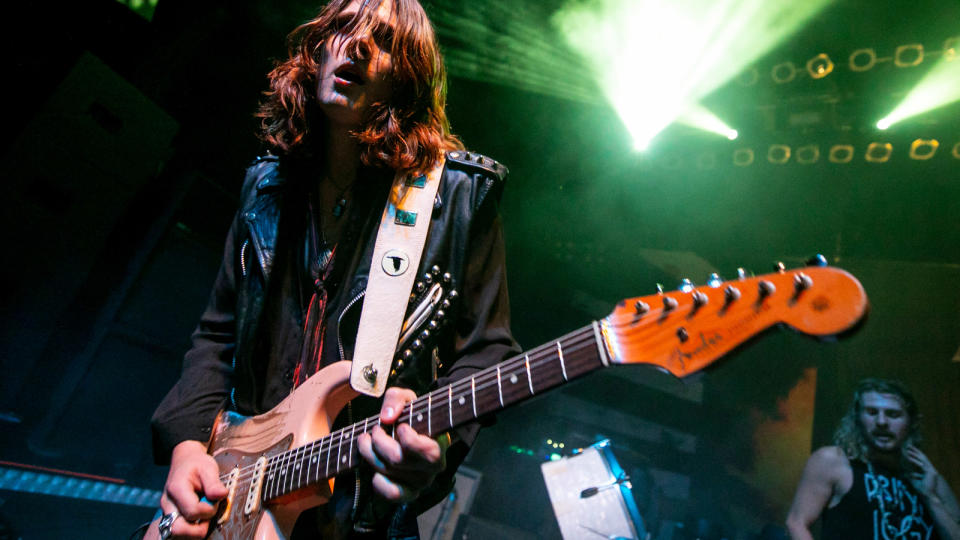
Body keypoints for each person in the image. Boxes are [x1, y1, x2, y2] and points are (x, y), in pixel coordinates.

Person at [147, 0, 519, 537]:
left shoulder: (458, 198)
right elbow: (216, 337)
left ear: (408, 80)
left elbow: (486, 353)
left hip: (354, 515)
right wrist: (186, 452)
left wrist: (435, 442)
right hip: (236, 490)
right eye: (345, 27)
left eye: (386, 40)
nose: (360, 44)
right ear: (316, 51)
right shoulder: (265, 187)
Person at [786, 378, 960, 540]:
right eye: (871, 412)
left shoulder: (926, 474)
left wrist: (930, 497)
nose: (882, 422)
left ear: (911, 422)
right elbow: (796, 523)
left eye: (893, 414)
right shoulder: (834, 461)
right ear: (857, 418)